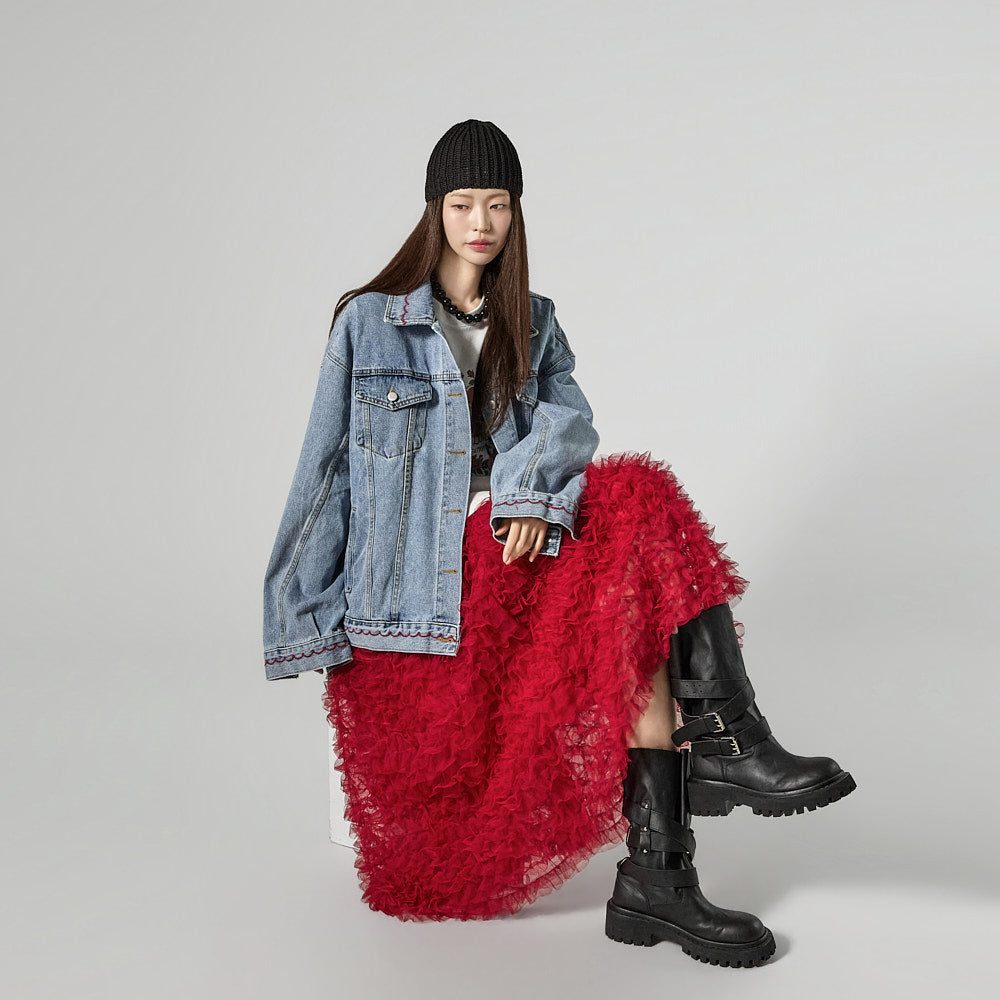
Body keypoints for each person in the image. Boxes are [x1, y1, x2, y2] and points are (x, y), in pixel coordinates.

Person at [262, 119, 855, 968]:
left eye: (498, 204)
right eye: (462, 203)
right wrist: (309, 630)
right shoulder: (368, 323)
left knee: (635, 522)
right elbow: (324, 478)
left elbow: (566, 424)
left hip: (509, 558)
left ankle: (664, 866)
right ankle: (717, 758)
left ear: (516, 213)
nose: (480, 222)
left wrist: (528, 496)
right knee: (635, 523)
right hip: (414, 603)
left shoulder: (533, 323)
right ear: (433, 210)